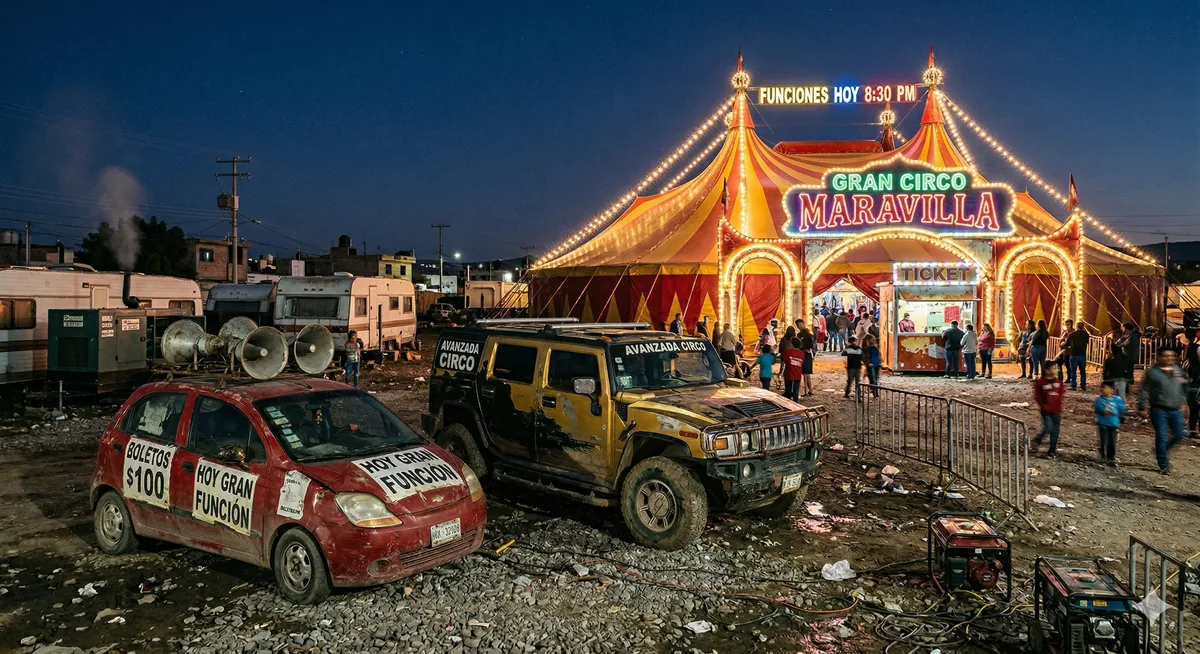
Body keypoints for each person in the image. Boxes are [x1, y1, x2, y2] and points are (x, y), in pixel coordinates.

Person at [1137, 347, 1188, 474]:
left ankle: (1162, 449)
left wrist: (1183, 402)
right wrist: (1142, 406)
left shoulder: (1177, 370)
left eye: (1172, 356)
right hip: (1159, 409)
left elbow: (1181, 388)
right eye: (1166, 356)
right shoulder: (1152, 372)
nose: (1169, 358)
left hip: (1175, 409)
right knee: (1161, 435)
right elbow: (1144, 390)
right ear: (1159, 357)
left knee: (1179, 435)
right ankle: (1163, 463)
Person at [1032, 363, 1065, 458]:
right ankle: (1038, 439)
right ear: (1047, 370)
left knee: (1055, 431)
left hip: (1056, 411)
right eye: (1054, 368)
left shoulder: (1058, 382)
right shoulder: (1040, 383)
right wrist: (1044, 406)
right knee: (1048, 427)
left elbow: (1061, 393)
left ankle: (1052, 449)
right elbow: (1037, 397)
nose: (1056, 370)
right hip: (1046, 411)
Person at [1093, 380, 1127, 466]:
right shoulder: (1099, 400)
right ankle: (1103, 457)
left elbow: (1122, 410)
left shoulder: (1117, 400)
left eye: (1106, 388)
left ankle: (1111, 458)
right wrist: (1103, 411)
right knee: (1104, 441)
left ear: (1112, 389)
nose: (1104, 390)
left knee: (1112, 442)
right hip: (1103, 424)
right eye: (1103, 388)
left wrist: (1120, 414)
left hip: (1114, 424)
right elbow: (1097, 409)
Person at [1179, 329, 1200, 438]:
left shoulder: (1193, 349)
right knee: (1194, 407)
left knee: (1194, 407)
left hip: (1193, 382)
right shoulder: (1191, 349)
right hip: (1192, 382)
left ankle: (1193, 429)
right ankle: (1192, 430)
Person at [1065, 321, 1091, 391]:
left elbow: (1067, 343)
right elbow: (1087, 342)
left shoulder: (1072, 334)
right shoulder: (1086, 334)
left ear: (1076, 327)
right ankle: (1083, 385)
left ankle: (1073, 385)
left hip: (1074, 354)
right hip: (1082, 354)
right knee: (1082, 371)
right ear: (1083, 327)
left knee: (1073, 370)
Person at [797, 324, 816, 397]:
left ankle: (806, 391)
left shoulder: (800, 335)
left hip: (804, 355)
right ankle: (810, 390)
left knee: (805, 374)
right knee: (807, 374)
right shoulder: (809, 335)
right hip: (808, 355)